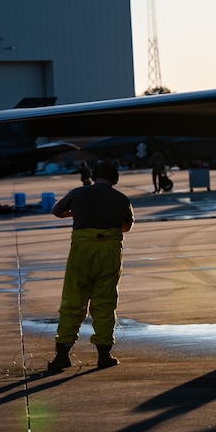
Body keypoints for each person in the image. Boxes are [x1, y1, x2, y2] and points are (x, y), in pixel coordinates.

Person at [47, 159, 135, 371]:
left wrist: (75, 214)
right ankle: (104, 355)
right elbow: (127, 226)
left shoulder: (78, 193)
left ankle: (62, 355)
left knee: (73, 301)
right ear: (115, 178)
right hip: (110, 252)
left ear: (94, 175)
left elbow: (56, 210)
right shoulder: (121, 199)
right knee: (105, 303)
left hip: (82, 252)